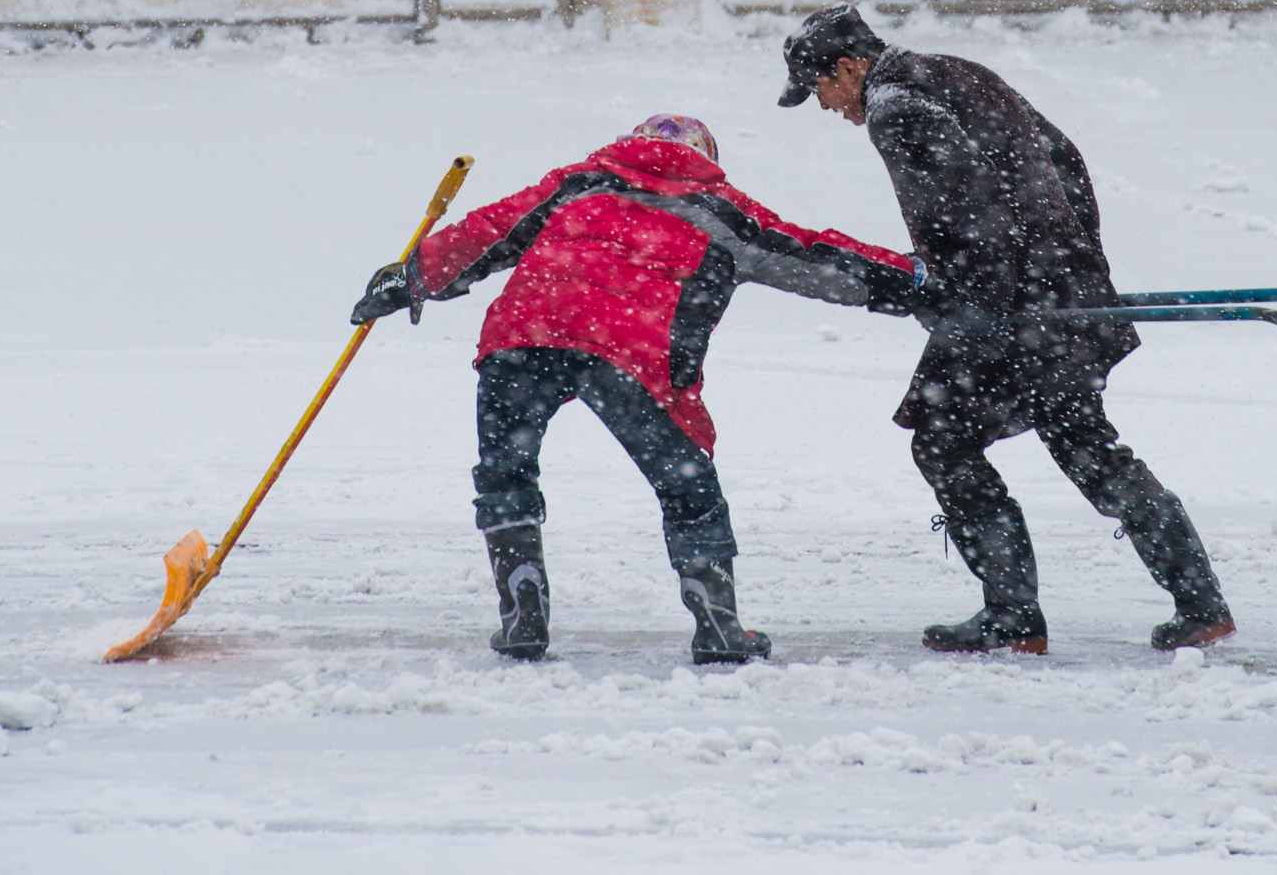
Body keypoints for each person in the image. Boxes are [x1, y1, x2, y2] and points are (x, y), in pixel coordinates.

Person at [349, 114, 922, 665]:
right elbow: (813, 254)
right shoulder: (721, 208)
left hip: (524, 334)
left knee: (506, 472)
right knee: (686, 486)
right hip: (631, 352)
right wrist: (913, 280)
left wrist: (411, 276)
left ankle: (522, 610)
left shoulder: (578, 182)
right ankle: (718, 625)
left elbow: (489, 231)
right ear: (704, 158)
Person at [778, 6, 1234, 654]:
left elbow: (971, 214)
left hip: (1008, 307)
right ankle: (1200, 602)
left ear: (848, 66)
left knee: (943, 441)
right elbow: (1065, 159)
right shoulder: (956, 73)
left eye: (819, 87)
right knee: (1087, 446)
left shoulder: (895, 108)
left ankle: (1014, 612)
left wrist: (972, 309)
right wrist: (1076, 261)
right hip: (1055, 291)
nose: (825, 105)